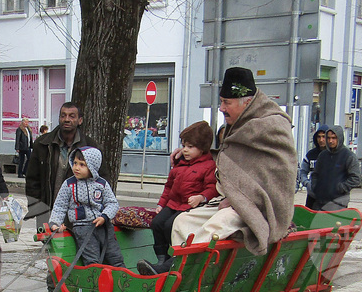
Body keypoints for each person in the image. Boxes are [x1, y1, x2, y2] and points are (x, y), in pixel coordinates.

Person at [168, 67, 296, 256]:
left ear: (247, 102)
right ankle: (178, 265)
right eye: (221, 101)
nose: (221, 108)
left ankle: (184, 266)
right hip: (233, 202)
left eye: (227, 102)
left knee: (216, 226)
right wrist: (189, 154)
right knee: (182, 222)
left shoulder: (271, 126)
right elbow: (230, 160)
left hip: (260, 208)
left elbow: (278, 178)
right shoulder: (241, 123)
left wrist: (238, 199)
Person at [139, 121, 217, 272]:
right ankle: (162, 257)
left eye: (190, 147)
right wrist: (161, 204)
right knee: (157, 223)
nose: (185, 150)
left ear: (202, 148)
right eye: (184, 146)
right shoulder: (180, 165)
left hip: (189, 206)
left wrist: (201, 197)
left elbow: (212, 187)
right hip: (174, 203)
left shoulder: (208, 166)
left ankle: (173, 257)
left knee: (171, 225)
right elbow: (169, 186)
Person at [25, 101, 106, 227]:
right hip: (48, 212)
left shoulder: (90, 147)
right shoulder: (42, 144)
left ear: (80, 120)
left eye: (71, 116)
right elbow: (32, 179)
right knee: (48, 240)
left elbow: (103, 179)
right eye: (63, 115)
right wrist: (37, 206)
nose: (66, 119)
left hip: (79, 217)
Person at [48, 147, 124, 267]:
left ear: (92, 167)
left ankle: (122, 276)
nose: (76, 167)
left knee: (114, 256)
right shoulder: (69, 184)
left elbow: (112, 203)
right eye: (75, 163)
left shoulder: (101, 184)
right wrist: (55, 223)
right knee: (91, 259)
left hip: (103, 227)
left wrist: (104, 216)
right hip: (82, 228)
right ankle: (94, 278)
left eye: (82, 164)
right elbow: (60, 206)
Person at [309, 126, 361, 211]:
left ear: (339, 138)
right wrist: (315, 187)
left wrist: (340, 188)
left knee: (332, 220)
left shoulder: (348, 156)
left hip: (338, 201)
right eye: (328, 138)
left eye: (334, 138)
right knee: (315, 219)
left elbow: (356, 178)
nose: (330, 141)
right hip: (320, 200)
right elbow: (315, 174)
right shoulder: (323, 155)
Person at [298, 124, 328, 207]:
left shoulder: (334, 154)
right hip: (312, 196)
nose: (321, 140)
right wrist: (307, 183)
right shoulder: (311, 154)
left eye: (324, 137)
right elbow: (302, 171)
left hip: (329, 197)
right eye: (319, 137)